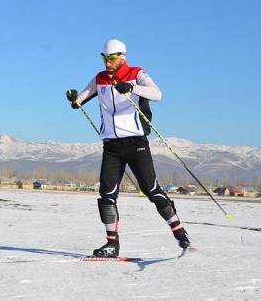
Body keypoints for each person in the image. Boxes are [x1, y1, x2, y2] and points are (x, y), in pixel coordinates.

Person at [66, 39, 190, 258]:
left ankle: (179, 232)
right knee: (107, 194)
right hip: (111, 145)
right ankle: (112, 244)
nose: (107, 63)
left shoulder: (137, 73)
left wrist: (132, 87)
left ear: (122, 57)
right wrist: (74, 98)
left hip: (135, 143)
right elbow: (80, 101)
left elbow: (157, 94)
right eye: (104, 58)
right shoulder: (100, 79)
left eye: (111, 59)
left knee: (151, 190)